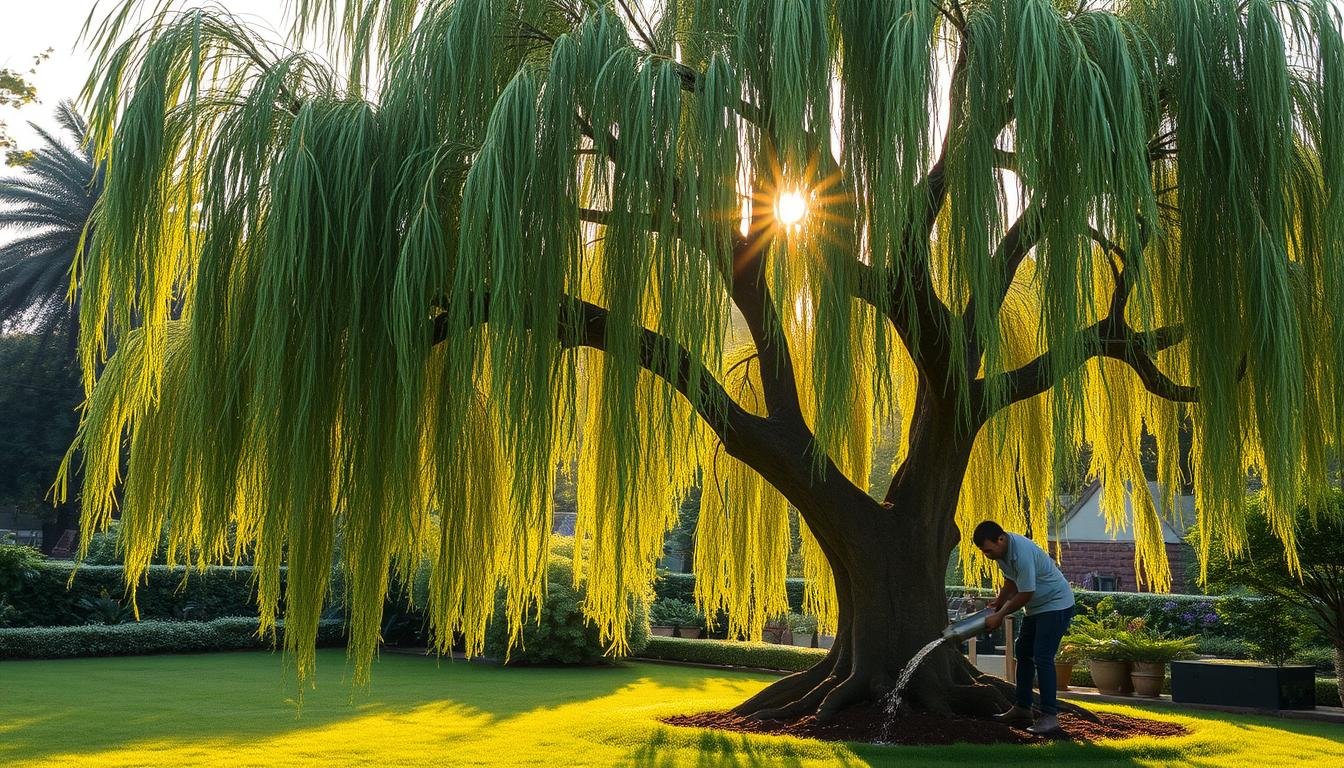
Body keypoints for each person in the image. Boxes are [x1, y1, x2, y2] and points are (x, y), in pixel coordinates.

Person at [972, 520, 1076, 734]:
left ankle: (1049, 717)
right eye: (984, 552)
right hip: (1037, 608)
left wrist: (1000, 615)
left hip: (1056, 605)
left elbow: (1026, 593)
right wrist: (998, 603)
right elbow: (1011, 582)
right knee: (1023, 652)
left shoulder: (1022, 553)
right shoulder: (1002, 554)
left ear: (1000, 539)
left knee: (1042, 656)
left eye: (989, 550)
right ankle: (1022, 707)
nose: (987, 555)